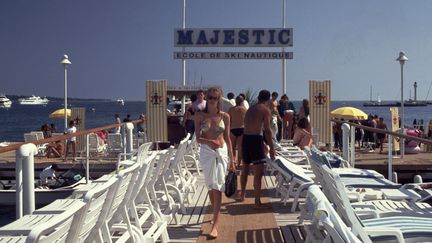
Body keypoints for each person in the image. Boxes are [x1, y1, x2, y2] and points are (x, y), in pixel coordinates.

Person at [194, 86, 235, 239]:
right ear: (206, 98)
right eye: (209, 97)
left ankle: (215, 225)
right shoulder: (199, 116)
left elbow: (229, 138)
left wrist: (233, 158)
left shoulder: (225, 116)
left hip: (221, 151)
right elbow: (198, 138)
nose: (211, 100)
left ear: (219, 99)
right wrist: (209, 141)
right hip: (206, 152)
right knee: (210, 186)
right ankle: (215, 213)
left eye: (214, 98)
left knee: (218, 186)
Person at [239, 89, 275, 209]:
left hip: (245, 138)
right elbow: (267, 130)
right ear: (268, 99)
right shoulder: (265, 110)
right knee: (258, 172)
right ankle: (257, 201)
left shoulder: (251, 109)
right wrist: (272, 147)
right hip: (255, 140)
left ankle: (242, 195)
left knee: (245, 168)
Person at [228, 95, 247, 167]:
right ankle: (239, 163)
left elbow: (228, 120)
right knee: (240, 148)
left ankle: (233, 162)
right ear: (242, 101)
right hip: (242, 129)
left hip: (233, 129)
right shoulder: (245, 109)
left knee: (232, 147)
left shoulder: (231, 109)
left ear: (235, 101)